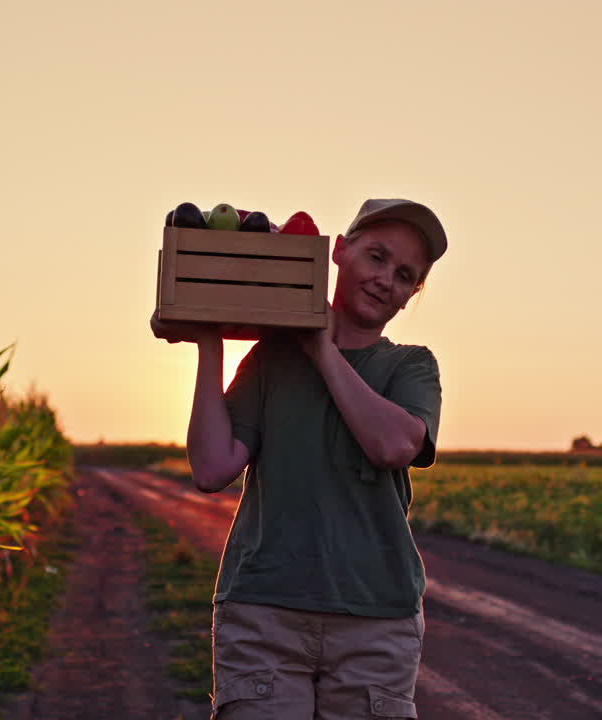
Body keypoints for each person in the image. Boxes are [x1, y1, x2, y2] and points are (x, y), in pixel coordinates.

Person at [150, 198, 447, 720]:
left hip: (376, 620)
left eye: (405, 276)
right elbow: (212, 468)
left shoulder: (410, 366)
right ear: (338, 251)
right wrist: (209, 343)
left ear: (411, 294)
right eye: (376, 257)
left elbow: (394, 446)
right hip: (264, 615)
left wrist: (320, 348)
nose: (385, 279)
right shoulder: (270, 359)